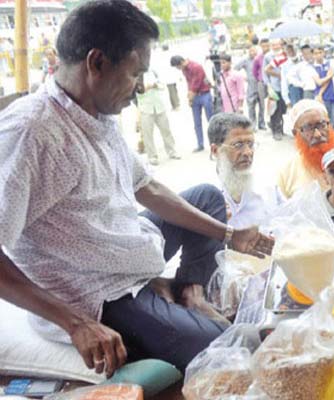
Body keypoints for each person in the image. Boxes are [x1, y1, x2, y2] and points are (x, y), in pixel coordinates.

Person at [0, 0, 273, 377]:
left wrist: (230, 235)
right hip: (99, 294)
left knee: (208, 196)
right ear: (96, 63)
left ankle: (188, 293)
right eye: (135, 74)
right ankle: (172, 301)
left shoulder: (97, 113)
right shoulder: (31, 132)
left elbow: (147, 186)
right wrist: (76, 323)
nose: (140, 88)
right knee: (226, 350)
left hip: (127, 250)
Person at [208, 113, 281, 229]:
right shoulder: (205, 198)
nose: (248, 152)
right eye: (238, 145)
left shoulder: (269, 188)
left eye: (250, 144)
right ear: (215, 150)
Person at [277, 99, 334, 198]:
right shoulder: (287, 172)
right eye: (308, 128)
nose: (318, 134)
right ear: (295, 133)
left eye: (322, 125)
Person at [137, 67, 180, 165]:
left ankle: (172, 151)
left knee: (166, 130)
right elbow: (138, 90)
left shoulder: (154, 71)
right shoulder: (137, 76)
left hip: (159, 106)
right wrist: (148, 87)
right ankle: (152, 156)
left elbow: (162, 85)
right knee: (148, 134)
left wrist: (154, 85)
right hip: (146, 108)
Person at [170, 55, 214, 152]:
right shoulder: (184, 70)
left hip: (204, 94)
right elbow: (189, 83)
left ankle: (214, 143)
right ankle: (200, 144)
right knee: (197, 122)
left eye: (178, 67)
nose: (178, 69)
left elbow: (196, 84)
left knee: (210, 120)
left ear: (181, 62)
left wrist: (190, 97)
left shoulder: (196, 67)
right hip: (195, 97)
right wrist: (190, 98)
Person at [264, 39, 288, 140]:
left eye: (277, 45)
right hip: (274, 86)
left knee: (282, 108)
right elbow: (264, 72)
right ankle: (276, 130)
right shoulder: (268, 57)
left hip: (285, 86)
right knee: (275, 109)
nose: (275, 47)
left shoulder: (285, 55)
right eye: (273, 45)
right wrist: (268, 85)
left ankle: (280, 127)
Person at [236, 45, 262, 126]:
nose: (252, 53)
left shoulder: (260, 59)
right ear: (248, 52)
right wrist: (243, 78)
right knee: (251, 106)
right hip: (251, 86)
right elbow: (235, 68)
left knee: (262, 105)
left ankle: (262, 124)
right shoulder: (245, 60)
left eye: (254, 51)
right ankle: (252, 124)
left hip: (260, 85)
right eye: (251, 51)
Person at [313, 45, 334, 119]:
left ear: (323, 53)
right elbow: (319, 82)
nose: (318, 55)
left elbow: (327, 80)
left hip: (332, 96)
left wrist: (328, 77)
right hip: (321, 99)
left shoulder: (330, 62)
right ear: (313, 55)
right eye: (316, 53)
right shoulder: (312, 67)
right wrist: (330, 76)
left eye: (320, 52)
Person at [252, 38, 270, 130]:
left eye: (267, 45)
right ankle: (261, 123)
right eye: (264, 46)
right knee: (262, 103)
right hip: (262, 83)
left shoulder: (272, 56)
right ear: (260, 46)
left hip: (271, 82)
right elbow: (254, 72)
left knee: (272, 102)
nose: (266, 48)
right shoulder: (258, 58)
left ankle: (272, 121)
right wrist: (259, 79)